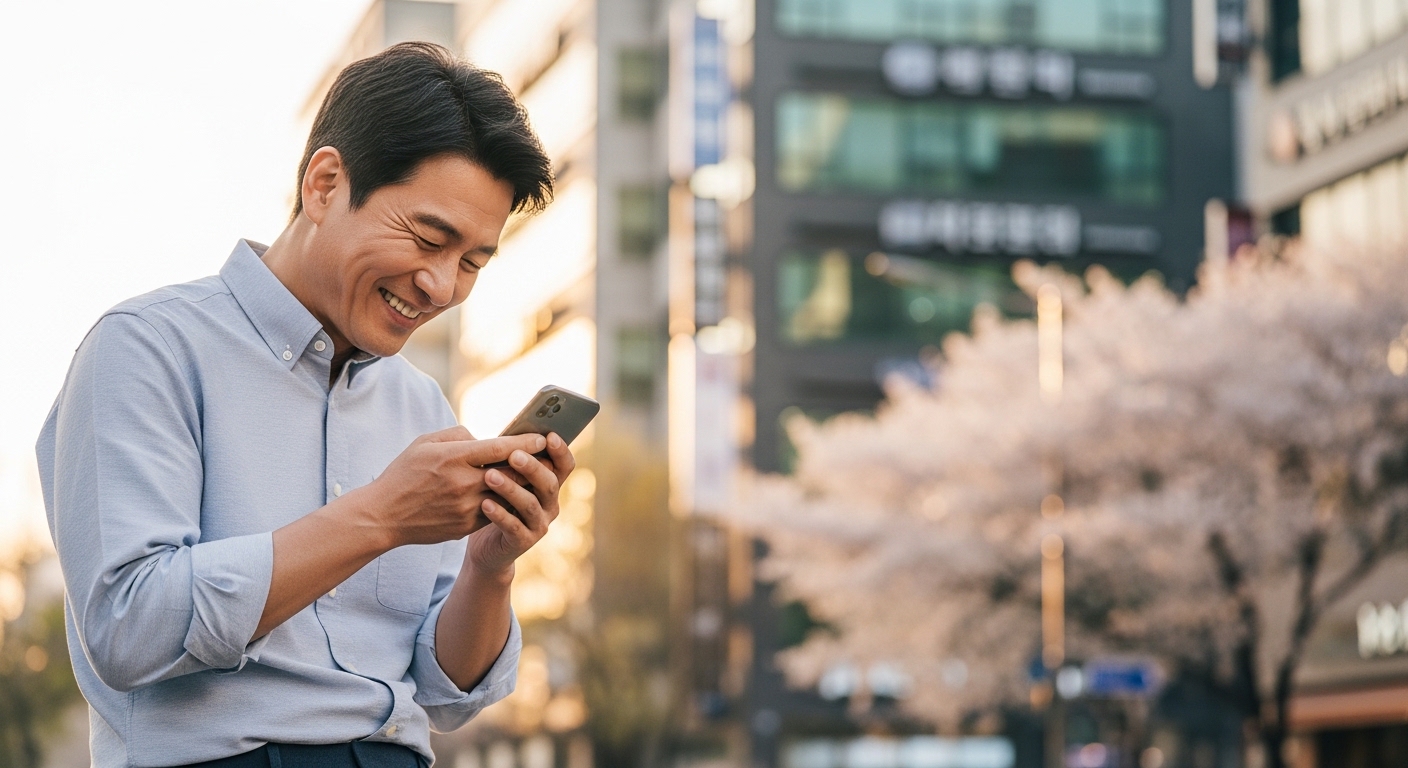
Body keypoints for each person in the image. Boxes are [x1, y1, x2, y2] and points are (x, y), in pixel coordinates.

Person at [36, 42, 564, 768]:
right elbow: (129, 626)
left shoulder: (423, 407)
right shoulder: (147, 348)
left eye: (472, 261)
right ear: (324, 184)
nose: (442, 286)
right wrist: (379, 516)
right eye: (429, 238)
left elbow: (447, 698)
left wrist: (490, 566)